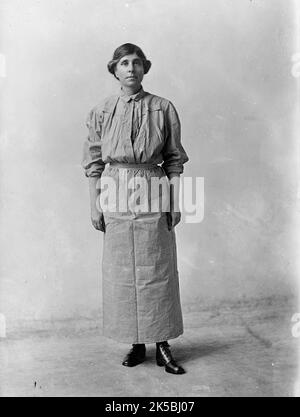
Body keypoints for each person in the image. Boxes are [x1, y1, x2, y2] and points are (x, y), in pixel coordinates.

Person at [82, 43, 189, 375]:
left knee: (157, 267)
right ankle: (136, 343)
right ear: (114, 70)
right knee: (123, 272)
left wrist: (174, 200)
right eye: (124, 63)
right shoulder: (101, 111)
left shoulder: (163, 108)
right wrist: (95, 204)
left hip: (153, 187)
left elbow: (173, 159)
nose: (131, 68)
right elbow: (94, 162)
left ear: (145, 68)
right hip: (115, 189)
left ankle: (162, 345)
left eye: (137, 63)